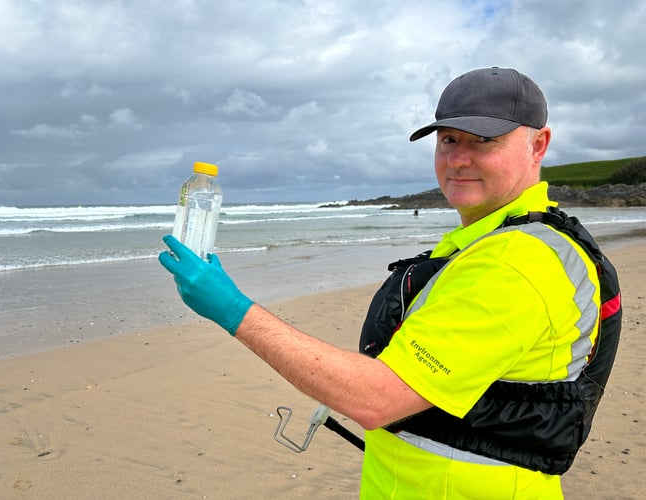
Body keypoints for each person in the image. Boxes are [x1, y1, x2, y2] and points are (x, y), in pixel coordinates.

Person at [158, 67, 621, 499]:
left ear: (538, 145)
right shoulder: (492, 239)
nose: (458, 159)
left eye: (484, 140)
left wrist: (229, 307)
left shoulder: (518, 262)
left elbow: (376, 398)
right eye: (447, 139)